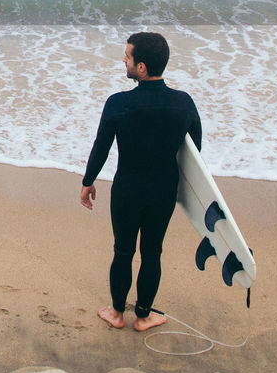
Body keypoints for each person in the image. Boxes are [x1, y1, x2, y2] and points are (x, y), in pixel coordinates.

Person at [80, 32, 201, 331]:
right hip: (163, 191)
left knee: (123, 250)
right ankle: (144, 316)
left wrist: (88, 181)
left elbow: (102, 146)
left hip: (127, 190)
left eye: (128, 56)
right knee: (152, 252)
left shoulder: (119, 103)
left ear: (142, 67)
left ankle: (117, 313)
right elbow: (194, 152)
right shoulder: (183, 103)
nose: (124, 60)